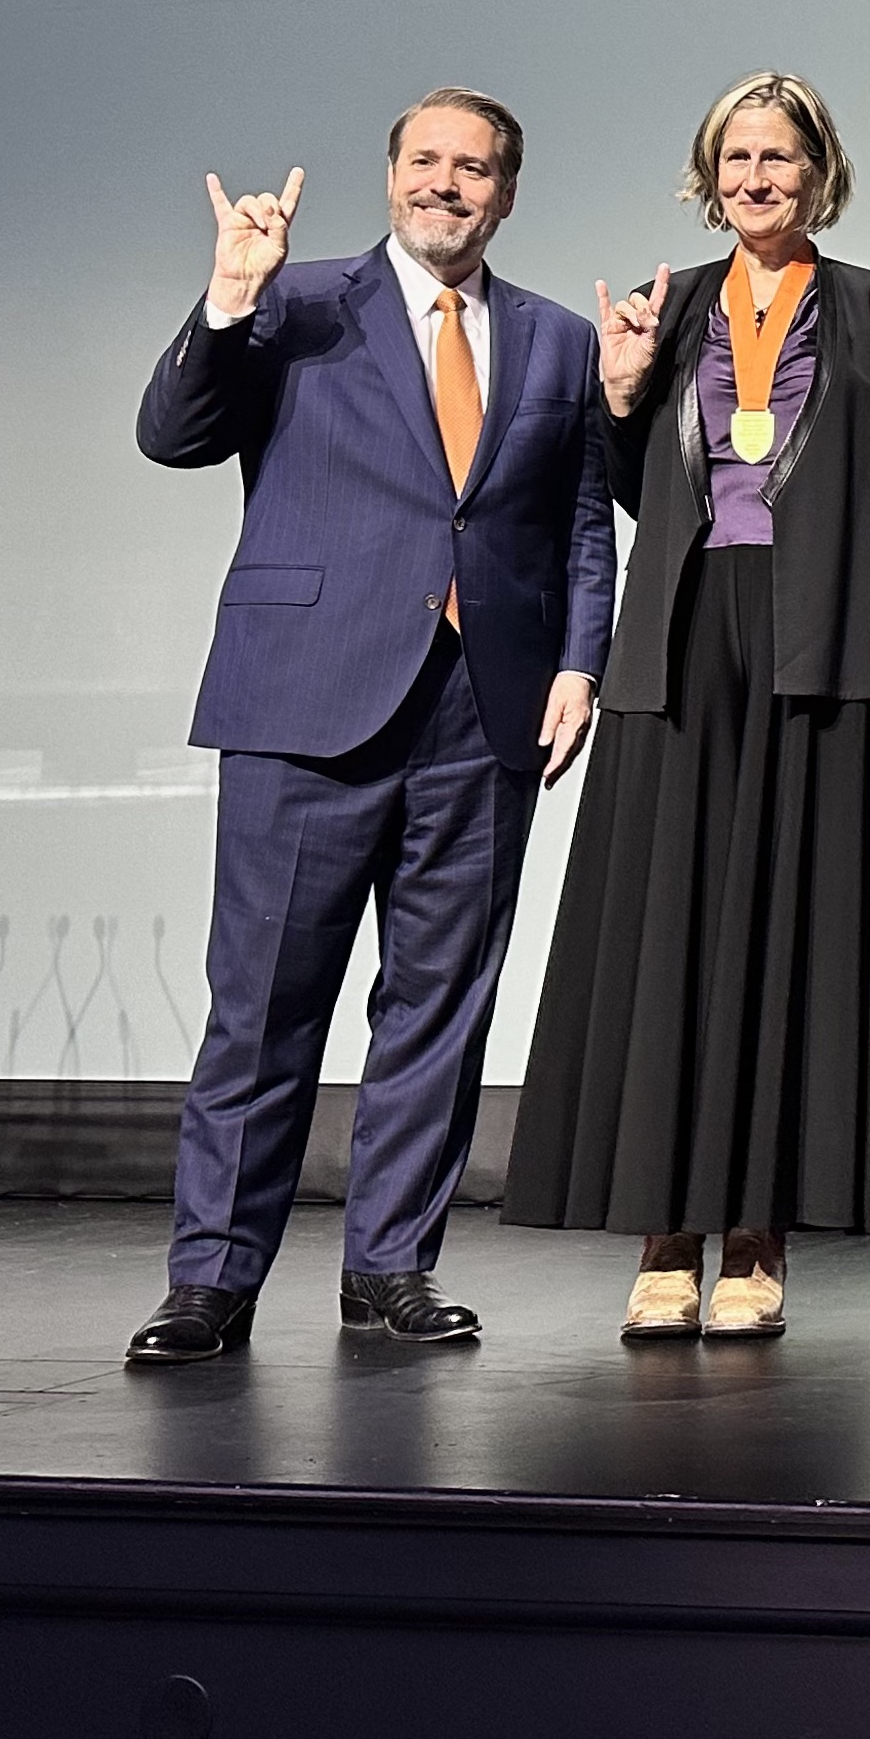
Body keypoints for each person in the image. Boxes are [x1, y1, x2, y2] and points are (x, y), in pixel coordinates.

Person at [126, 89, 610, 1364]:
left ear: (507, 191)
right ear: (390, 176)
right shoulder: (299, 302)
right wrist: (230, 294)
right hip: (306, 698)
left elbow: (575, 522)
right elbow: (172, 435)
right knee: (265, 1004)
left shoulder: (556, 339)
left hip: (483, 709)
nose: (446, 184)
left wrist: (581, 660)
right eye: (426, 161)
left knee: (439, 1008)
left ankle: (391, 1265)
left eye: (475, 168)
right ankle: (212, 1280)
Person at [503, 72, 870, 1341]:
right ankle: (666, 1230)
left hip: (809, 642)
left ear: (819, 169)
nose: (756, 177)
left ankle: (757, 1234)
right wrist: (619, 394)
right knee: (664, 933)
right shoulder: (664, 308)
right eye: (736, 156)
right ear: (707, 171)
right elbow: (624, 489)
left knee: (784, 931)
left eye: (780, 155)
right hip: (674, 642)